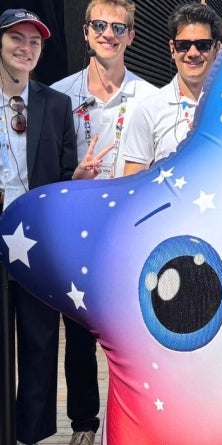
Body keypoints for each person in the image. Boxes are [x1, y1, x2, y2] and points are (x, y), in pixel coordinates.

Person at [0, 8, 109, 445]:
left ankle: (31, 432)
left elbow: (63, 176)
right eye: (16, 39)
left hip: (35, 240)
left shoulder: (56, 104)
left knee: (40, 340)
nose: (26, 48)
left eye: (35, 42)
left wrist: (76, 180)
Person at [51, 1, 157, 444]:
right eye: (100, 25)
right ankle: (82, 424)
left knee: (136, 336)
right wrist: (72, 178)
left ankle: (134, 424)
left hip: (132, 235)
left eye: (119, 27)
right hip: (78, 234)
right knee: (78, 339)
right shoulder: (59, 96)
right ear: (86, 31)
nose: (108, 34)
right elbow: (45, 171)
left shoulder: (151, 98)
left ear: (132, 36)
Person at [122, 2, 222, 175]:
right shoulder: (149, 110)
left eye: (203, 45)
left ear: (216, 49)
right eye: (183, 45)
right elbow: (132, 183)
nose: (192, 53)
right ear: (172, 49)